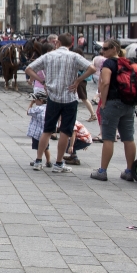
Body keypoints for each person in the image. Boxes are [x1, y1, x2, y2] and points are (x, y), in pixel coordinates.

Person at [23, 33, 92, 174]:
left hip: (53, 97)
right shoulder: (74, 57)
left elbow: (28, 68)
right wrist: (78, 80)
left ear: (57, 43)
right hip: (69, 98)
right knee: (65, 132)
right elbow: (92, 68)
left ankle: (38, 160)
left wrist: (42, 81)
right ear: (71, 44)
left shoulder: (48, 56)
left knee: (47, 130)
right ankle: (59, 163)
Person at [89, 39, 137, 182]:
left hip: (113, 103)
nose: (103, 51)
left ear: (115, 48)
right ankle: (129, 171)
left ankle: (102, 171)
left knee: (108, 138)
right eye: (102, 48)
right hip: (128, 104)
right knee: (128, 138)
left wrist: (103, 102)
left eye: (106, 48)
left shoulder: (108, 63)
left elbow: (105, 83)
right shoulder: (127, 62)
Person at [27, 92, 52, 169]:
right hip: (46, 133)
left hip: (37, 132)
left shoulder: (38, 109)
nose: (35, 101)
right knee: (46, 148)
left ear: (41, 100)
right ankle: (48, 161)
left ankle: (38, 159)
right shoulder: (48, 108)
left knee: (39, 147)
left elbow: (28, 111)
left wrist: (31, 103)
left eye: (35, 100)